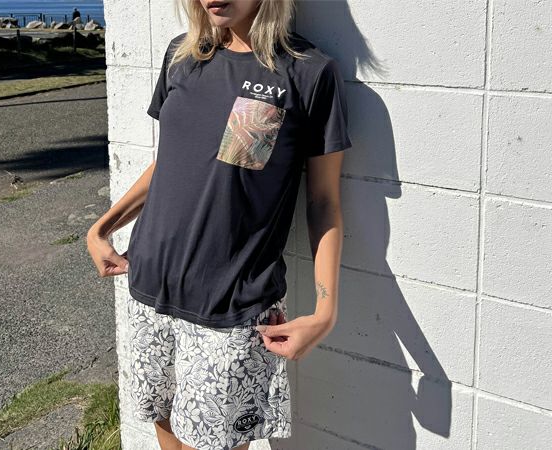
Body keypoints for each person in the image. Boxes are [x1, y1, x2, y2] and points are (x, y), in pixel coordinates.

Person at [86, 0, 352, 449]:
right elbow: (170, 163)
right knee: (163, 424)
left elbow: (323, 202)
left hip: (230, 305)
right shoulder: (183, 57)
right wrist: (102, 227)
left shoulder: (307, 73)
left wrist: (326, 312)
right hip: (151, 287)